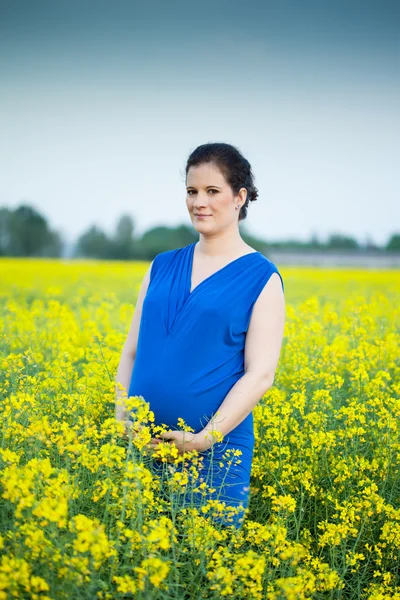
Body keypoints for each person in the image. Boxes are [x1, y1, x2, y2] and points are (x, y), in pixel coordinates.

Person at [115, 142, 285, 529]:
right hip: (143, 447)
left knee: (206, 572)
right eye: (192, 191)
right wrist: (122, 417)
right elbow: (131, 352)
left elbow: (260, 374)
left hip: (214, 456)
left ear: (240, 198)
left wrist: (204, 438)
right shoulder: (161, 266)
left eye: (212, 192)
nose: (199, 203)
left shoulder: (262, 277)